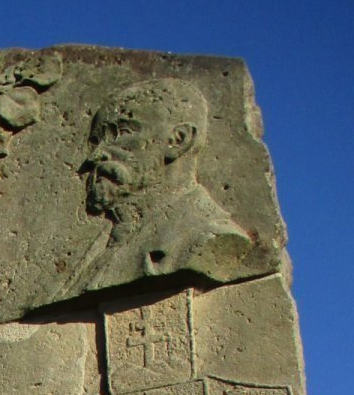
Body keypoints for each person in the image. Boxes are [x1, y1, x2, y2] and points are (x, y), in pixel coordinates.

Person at [68, 78, 251, 296]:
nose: (95, 155)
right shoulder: (99, 247)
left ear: (178, 140)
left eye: (121, 132)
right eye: (96, 141)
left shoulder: (206, 237)